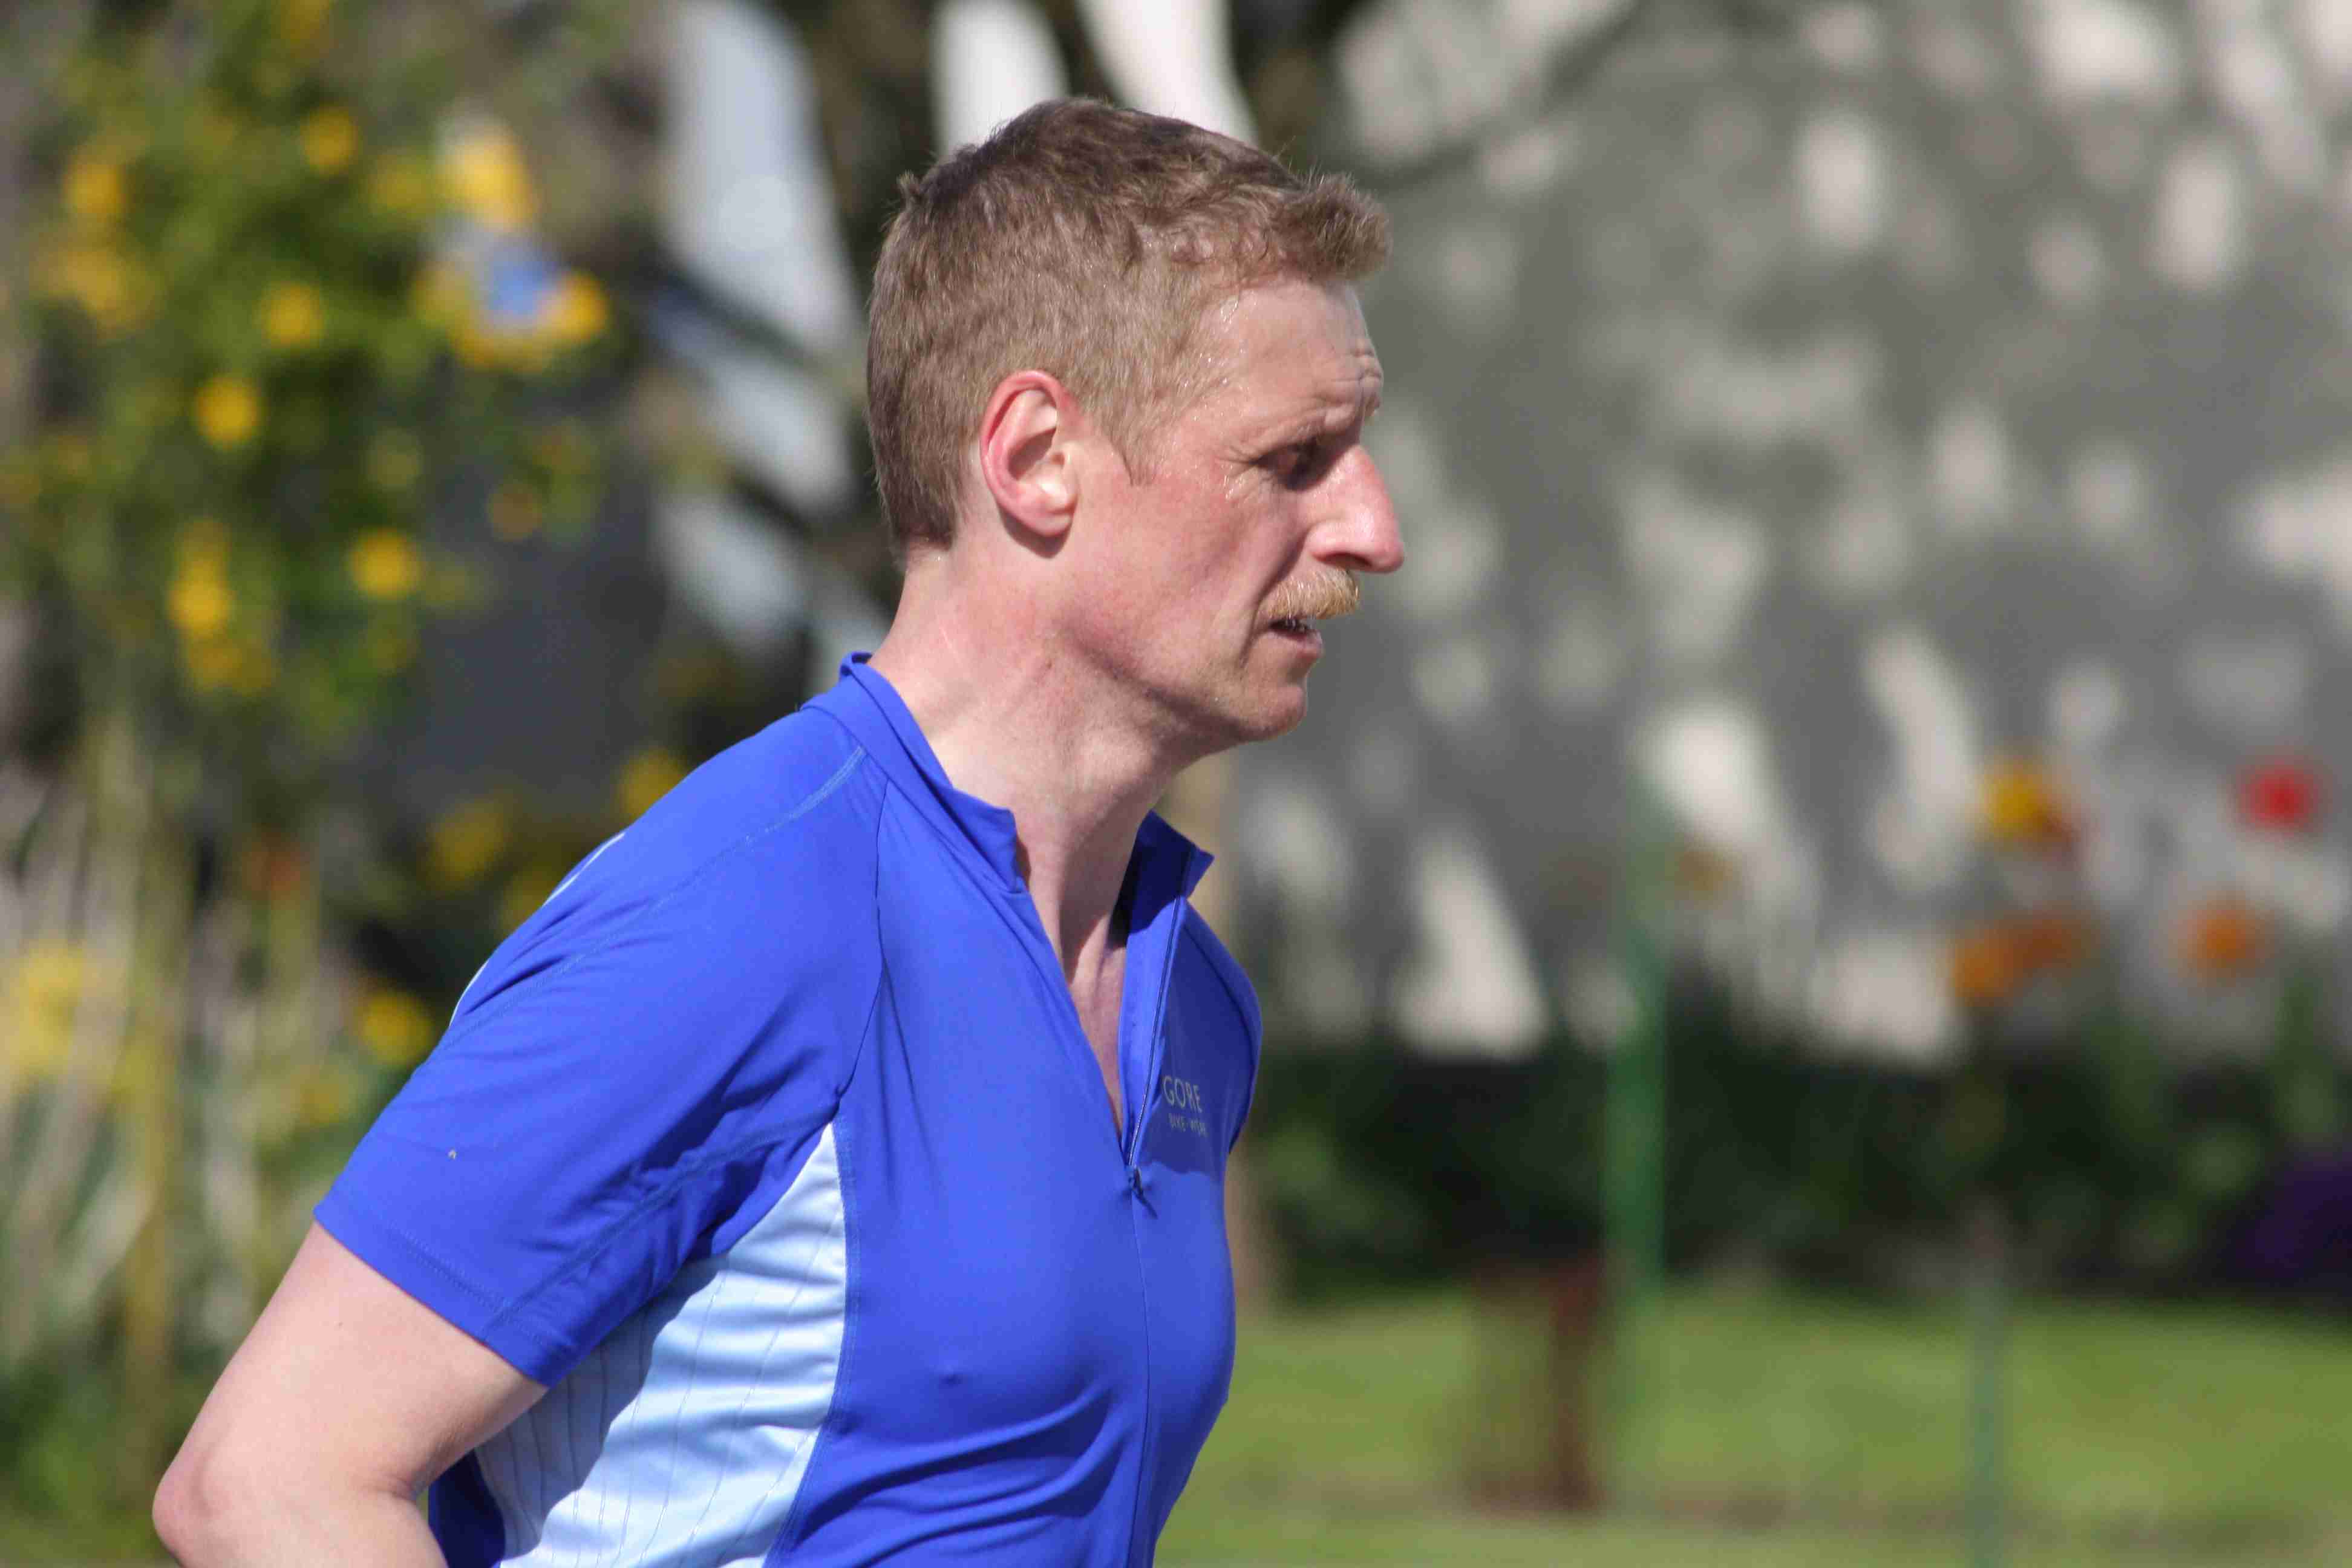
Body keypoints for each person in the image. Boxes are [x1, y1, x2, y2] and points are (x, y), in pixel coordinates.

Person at [154, 96, 1402, 1566]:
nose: (1372, 530)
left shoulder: (1191, 999)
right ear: (1036, 457)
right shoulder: (739, 920)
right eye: (1294, 460)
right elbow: (266, 1483)